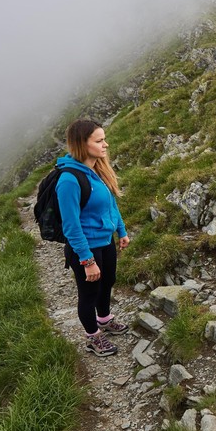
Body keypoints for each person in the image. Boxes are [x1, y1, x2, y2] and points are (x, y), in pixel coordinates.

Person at [56, 119, 131, 356]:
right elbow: (71, 226)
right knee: (88, 294)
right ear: (82, 144)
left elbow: (110, 204)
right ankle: (92, 337)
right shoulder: (69, 180)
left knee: (107, 282)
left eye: (104, 139)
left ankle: (105, 319)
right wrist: (87, 261)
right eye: (99, 141)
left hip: (105, 242)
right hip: (85, 247)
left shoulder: (97, 169)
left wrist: (121, 230)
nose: (105, 144)